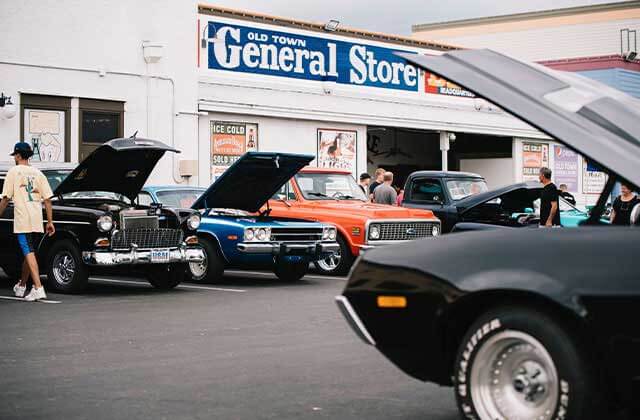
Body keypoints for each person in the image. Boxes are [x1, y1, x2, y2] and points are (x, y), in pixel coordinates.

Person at [0, 142, 55, 301]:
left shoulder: (14, 172)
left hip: (22, 218)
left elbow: (5, 198)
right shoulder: (38, 173)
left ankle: (38, 287)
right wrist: (50, 221)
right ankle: (22, 285)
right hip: (37, 218)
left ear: (17, 156)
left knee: (28, 252)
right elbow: (48, 200)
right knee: (29, 253)